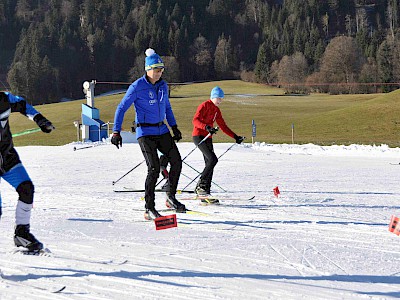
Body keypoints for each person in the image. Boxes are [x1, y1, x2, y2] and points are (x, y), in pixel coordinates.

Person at [111, 48, 186, 220]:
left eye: (161, 70)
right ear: (148, 69)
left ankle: (170, 197)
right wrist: (116, 131)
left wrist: (174, 127)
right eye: (157, 70)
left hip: (162, 129)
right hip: (145, 132)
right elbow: (122, 108)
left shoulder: (163, 86)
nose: (160, 73)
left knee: (176, 161)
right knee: (153, 168)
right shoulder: (137, 87)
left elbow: (167, 107)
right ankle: (149, 208)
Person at [0, 91, 54, 252]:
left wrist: (39, 119)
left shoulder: (4, 99)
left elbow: (22, 104)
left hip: (7, 157)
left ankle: (22, 234)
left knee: (26, 188)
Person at [192, 86, 244, 204]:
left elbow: (223, 126)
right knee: (212, 160)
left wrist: (235, 137)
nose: (220, 101)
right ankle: (201, 185)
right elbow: (195, 120)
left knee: (209, 162)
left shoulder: (216, 110)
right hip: (199, 136)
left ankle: (205, 191)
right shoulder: (204, 105)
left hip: (208, 138)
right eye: (218, 98)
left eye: (221, 99)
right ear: (213, 97)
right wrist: (206, 127)